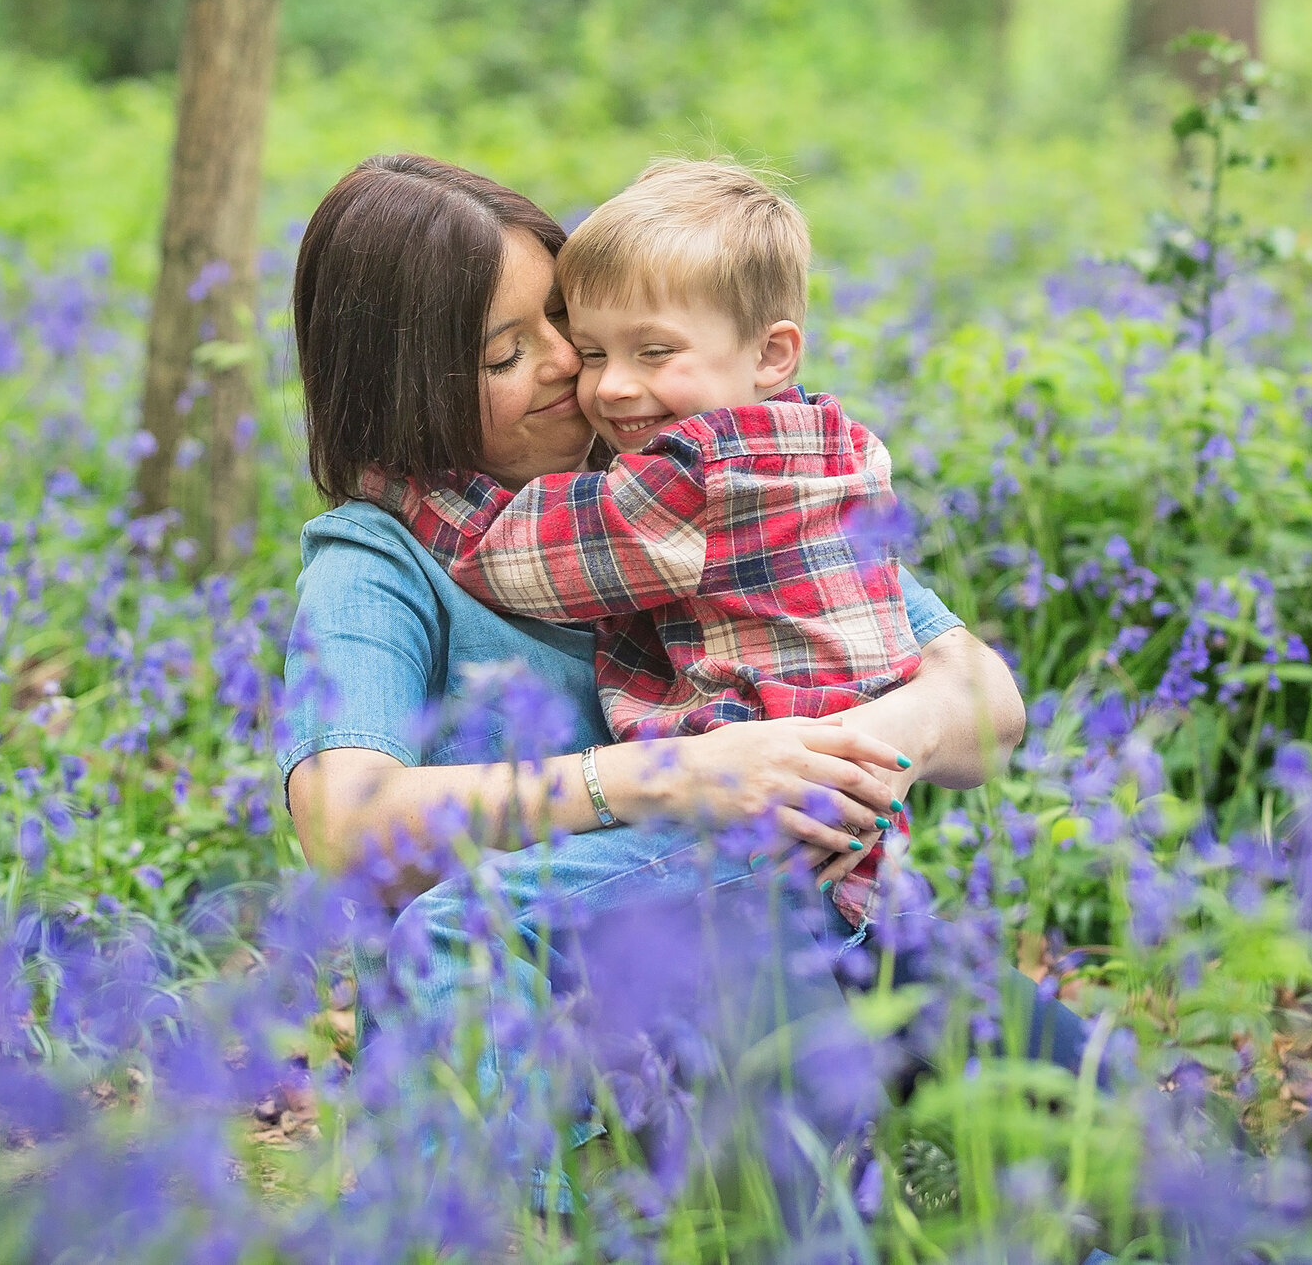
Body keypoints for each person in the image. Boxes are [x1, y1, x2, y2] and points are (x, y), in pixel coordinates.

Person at [275, 153, 1088, 1165]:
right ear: (407, 385)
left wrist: (823, 763)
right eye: (504, 354)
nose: (574, 369)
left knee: (1116, 1121)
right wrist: (679, 776)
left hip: (801, 924)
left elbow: (983, 695)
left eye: (564, 324)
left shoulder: (679, 476)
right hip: (569, 1021)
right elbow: (345, 825)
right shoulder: (378, 555)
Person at [356, 160, 922, 926]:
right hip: (846, 852)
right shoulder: (837, 446)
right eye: (593, 351)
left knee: (459, 923)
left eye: (653, 352)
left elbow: (507, 549)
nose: (611, 386)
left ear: (771, 353)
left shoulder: (704, 480)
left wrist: (398, 483)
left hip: (759, 838)